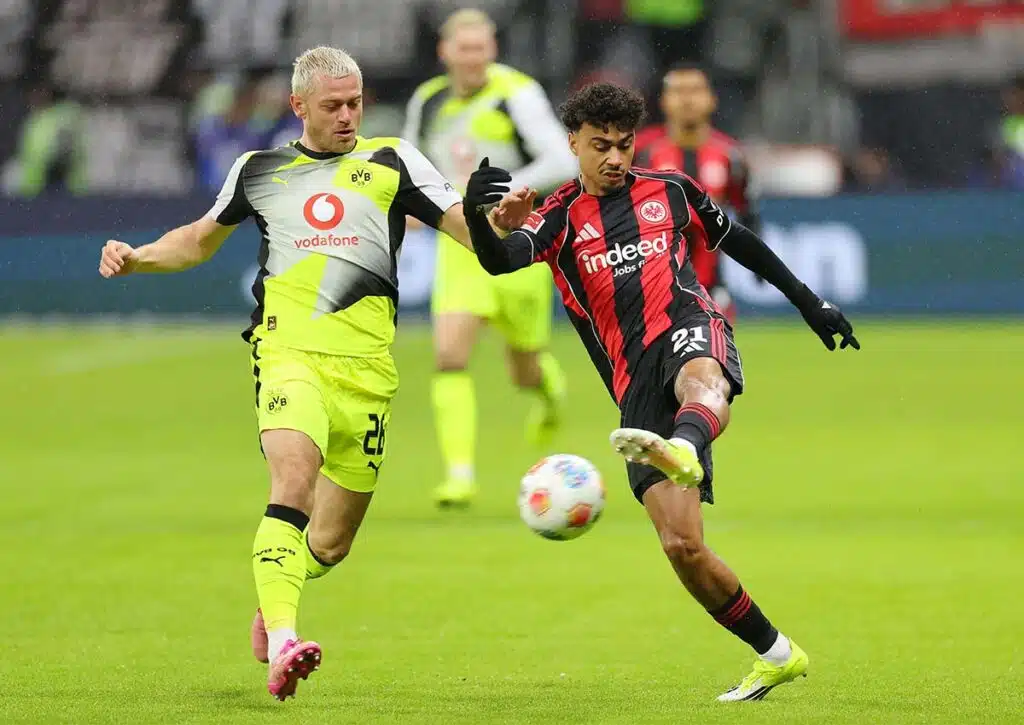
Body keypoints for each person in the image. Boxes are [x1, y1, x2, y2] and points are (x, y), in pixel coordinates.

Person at [97, 46, 531, 702]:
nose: (349, 115)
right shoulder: (260, 168)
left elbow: (473, 238)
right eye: (333, 105)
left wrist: (499, 224)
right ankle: (284, 639)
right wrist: (139, 258)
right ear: (298, 106)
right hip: (288, 354)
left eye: (355, 102)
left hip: (368, 375)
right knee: (291, 481)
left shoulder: (393, 162)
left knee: (329, 543)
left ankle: (278, 594)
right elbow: (196, 238)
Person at [460, 82, 860, 702]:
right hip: (633, 382)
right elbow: (499, 260)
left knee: (701, 377)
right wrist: (483, 218)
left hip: (689, 324)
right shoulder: (558, 217)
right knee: (683, 547)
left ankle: (686, 444)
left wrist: (811, 303)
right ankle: (778, 654)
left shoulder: (670, 191)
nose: (615, 158)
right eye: (600, 146)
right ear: (574, 144)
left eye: (623, 145)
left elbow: (742, 243)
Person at [402, 9, 578, 508]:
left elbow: (561, 160)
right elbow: (411, 163)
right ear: (446, 52)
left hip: (518, 240)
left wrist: (506, 196)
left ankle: (547, 391)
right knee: (449, 356)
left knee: (522, 367)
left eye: (482, 48)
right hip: (461, 242)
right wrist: (417, 206)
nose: (474, 58)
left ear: (492, 50)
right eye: (465, 48)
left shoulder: (517, 93)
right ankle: (459, 476)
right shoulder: (428, 99)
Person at [636, 63, 761, 324]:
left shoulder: (731, 156)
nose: (687, 99)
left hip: (712, 287)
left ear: (711, 100)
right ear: (664, 101)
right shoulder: (641, 152)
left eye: (695, 90)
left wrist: (757, 264)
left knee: (716, 362)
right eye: (678, 91)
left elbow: (747, 212)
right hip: (651, 286)